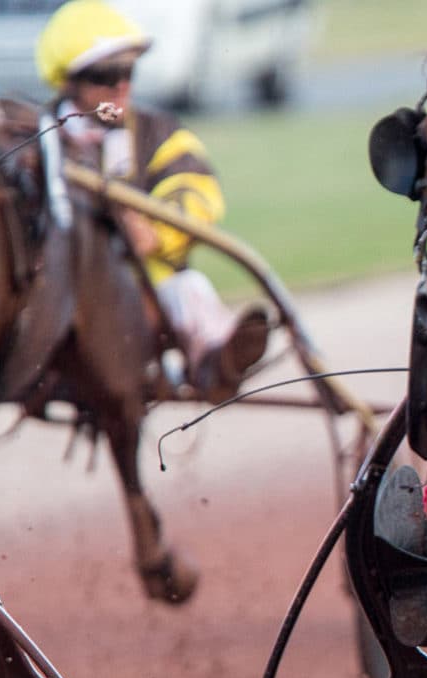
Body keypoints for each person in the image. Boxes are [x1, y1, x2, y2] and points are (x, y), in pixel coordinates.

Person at [34, 0, 269, 402]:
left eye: (128, 72)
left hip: (141, 287)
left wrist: (159, 232)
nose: (121, 86)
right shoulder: (35, 140)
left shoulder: (157, 131)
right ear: (67, 82)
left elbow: (197, 188)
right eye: (106, 76)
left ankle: (216, 360)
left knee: (187, 287)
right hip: (57, 287)